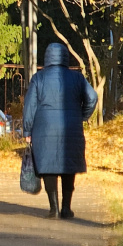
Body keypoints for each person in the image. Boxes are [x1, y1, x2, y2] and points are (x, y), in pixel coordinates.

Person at [23, 43, 98, 219]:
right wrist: (82, 115)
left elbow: (30, 106)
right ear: (66, 57)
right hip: (71, 127)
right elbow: (92, 97)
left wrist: (27, 130)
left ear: (47, 57)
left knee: (48, 166)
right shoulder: (77, 78)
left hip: (44, 128)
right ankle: (66, 208)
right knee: (68, 166)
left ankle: (53, 208)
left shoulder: (39, 78)